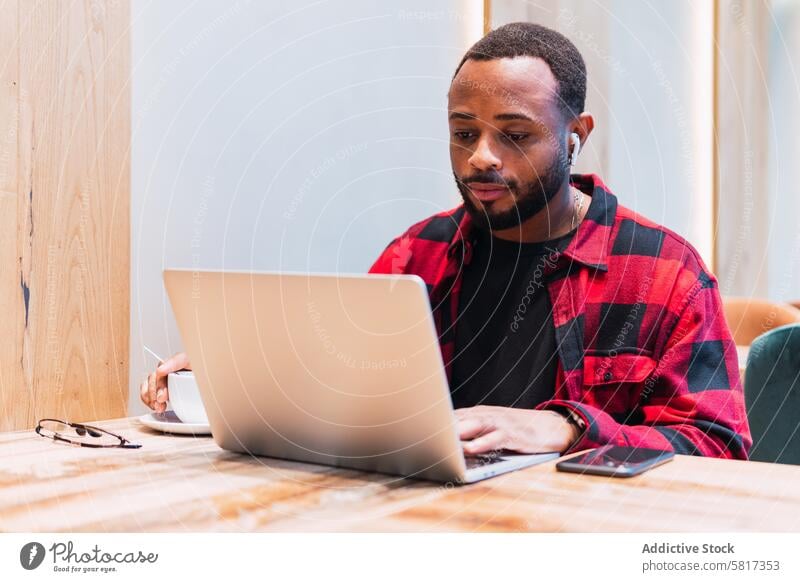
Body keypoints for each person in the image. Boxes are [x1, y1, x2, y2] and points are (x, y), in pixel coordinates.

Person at [142, 22, 751, 460]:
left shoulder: (664, 272)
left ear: (575, 135)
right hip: (429, 523)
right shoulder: (418, 254)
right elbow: (348, 376)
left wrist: (567, 428)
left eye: (515, 135)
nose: (481, 158)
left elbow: (718, 448)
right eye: (464, 133)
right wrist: (244, 372)